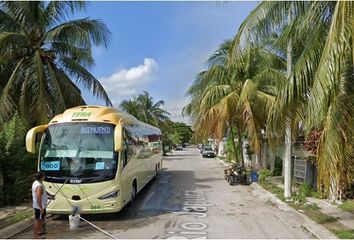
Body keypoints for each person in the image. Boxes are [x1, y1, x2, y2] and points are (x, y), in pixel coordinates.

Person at [32, 171, 54, 239]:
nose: (45, 176)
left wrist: (50, 195)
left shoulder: (38, 182)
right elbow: (38, 197)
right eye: (44, 175)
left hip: (42, 205)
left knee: (42, 219)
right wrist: (41, 208)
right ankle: (36, 236)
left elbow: (44, 191)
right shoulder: (38, 186)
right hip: (39, 206)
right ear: (41, 177)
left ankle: (40, 231)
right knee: (38, 220)